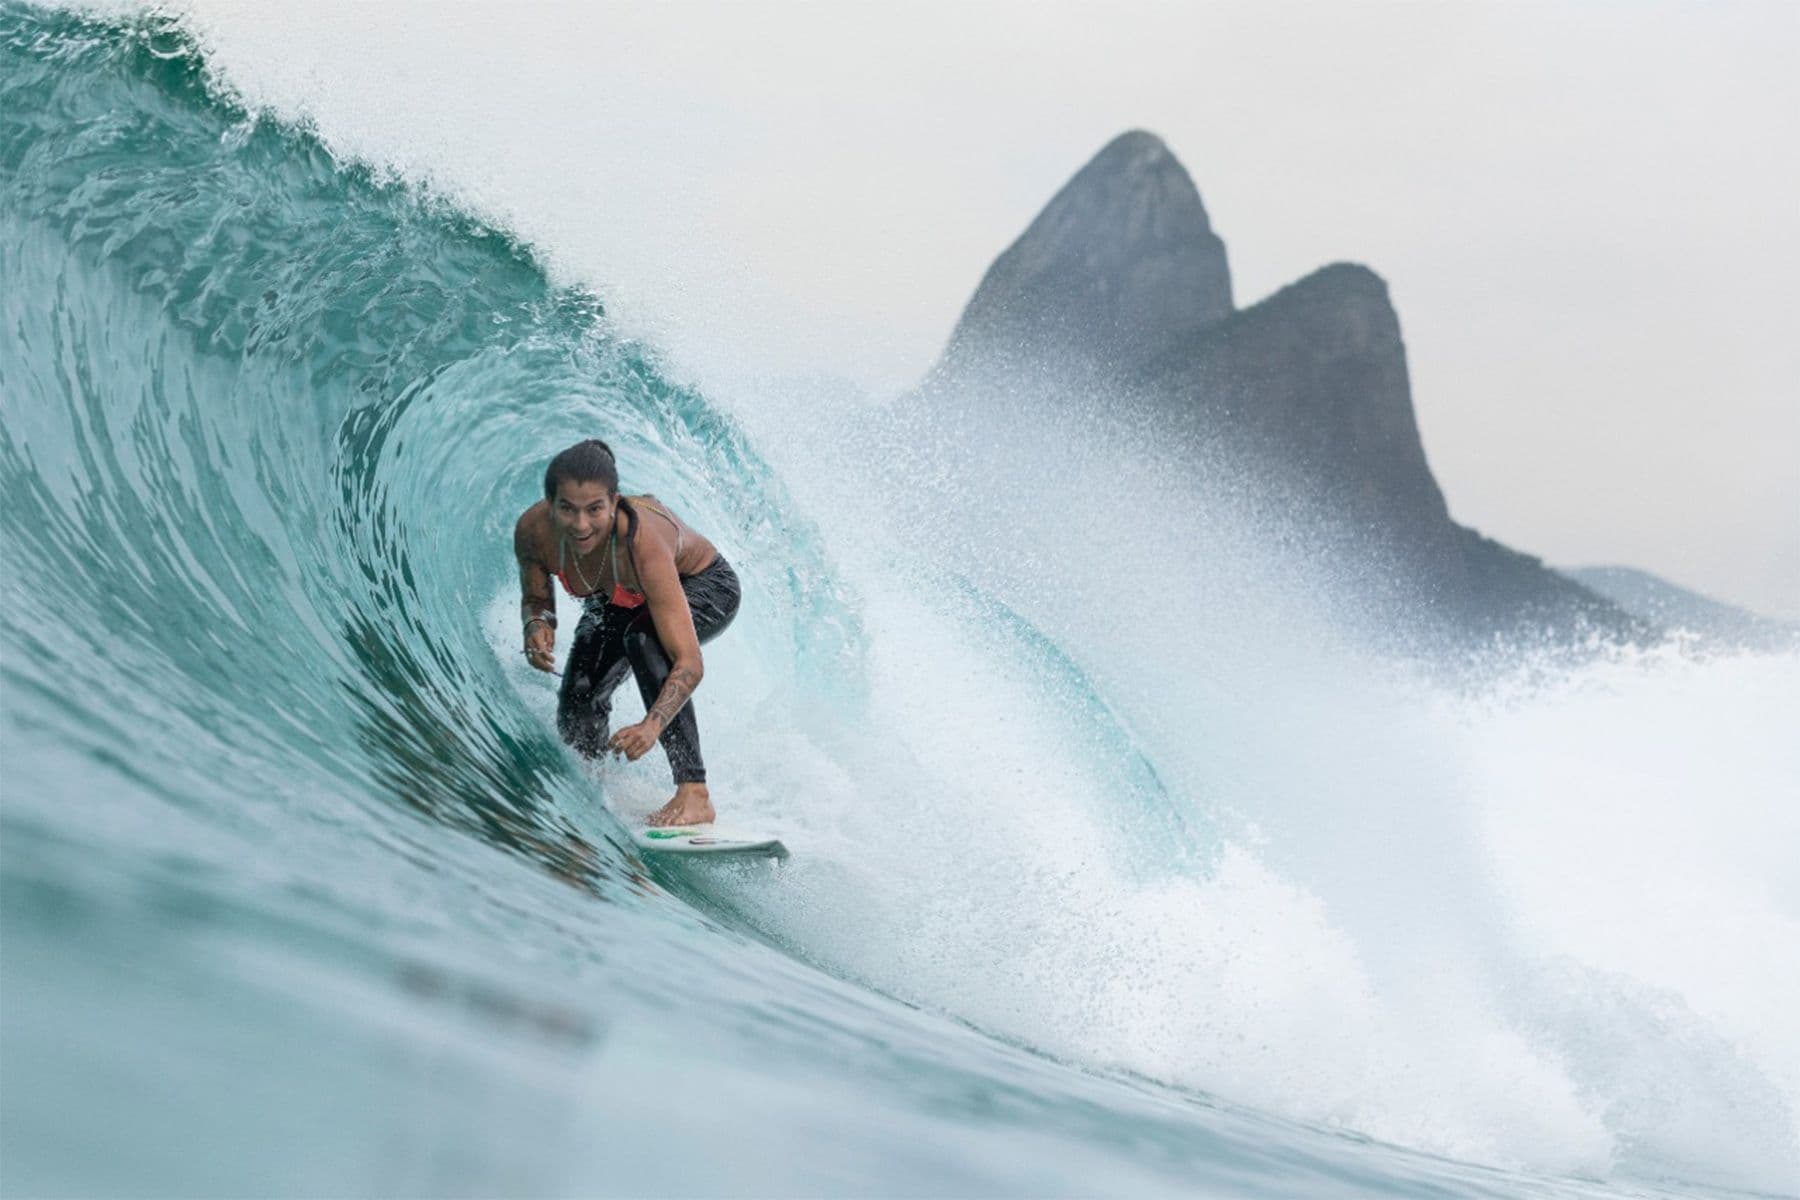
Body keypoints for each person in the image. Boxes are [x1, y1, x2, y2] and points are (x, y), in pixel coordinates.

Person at [514, 439, 740, 827]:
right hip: (619, 597)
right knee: (579, 698)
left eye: (594, 509)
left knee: (643, 639)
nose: (580, 525)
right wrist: (536, 625)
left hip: (703, 584)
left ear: (614, 502)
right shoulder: (533, 532)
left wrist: (651, 726)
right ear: (550, 504)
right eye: (567, 509)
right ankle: (594, 779)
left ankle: (694, 792)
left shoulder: (641, 543)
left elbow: (689, 662)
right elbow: (538, 602)